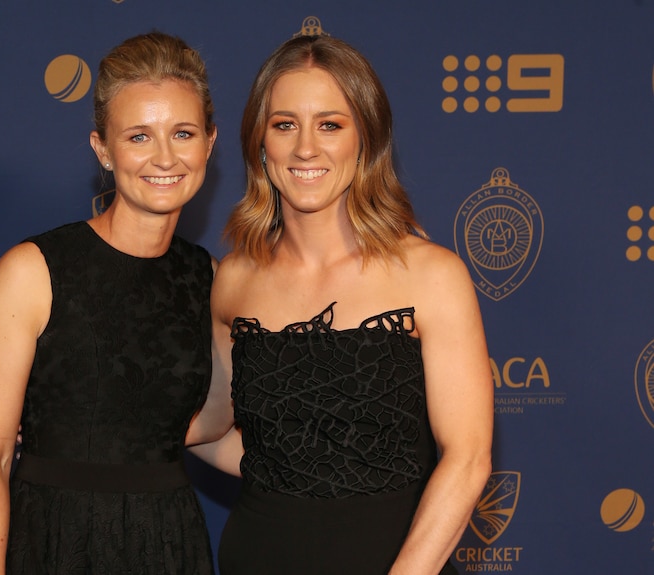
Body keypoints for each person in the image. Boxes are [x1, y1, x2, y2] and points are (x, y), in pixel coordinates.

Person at [204, 34, 494, 574]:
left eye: (330, 125)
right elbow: (224, 436)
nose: (305, 147)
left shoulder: (432, 276)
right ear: (259, 144)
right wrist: (98, 425)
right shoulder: (233, 280)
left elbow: (469, 458)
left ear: (365, 140)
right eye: (284, 124)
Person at [0, 31, 230, 575]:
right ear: (102, 149)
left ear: (209, 143)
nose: (164, 157)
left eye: (182, 133)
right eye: (138, 136)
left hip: (169, 545)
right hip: (55, 541)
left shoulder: (210, 278)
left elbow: (209, 425)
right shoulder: (31, 272)